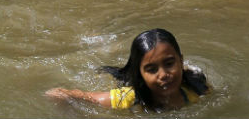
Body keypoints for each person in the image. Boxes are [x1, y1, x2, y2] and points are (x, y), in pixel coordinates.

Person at [46, 28, 210, 111]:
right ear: (140, 73)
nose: (164, 75)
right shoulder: (129, 99)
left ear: (180, 60)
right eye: (151, 69)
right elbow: (70, 95)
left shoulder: (197, 87)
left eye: (169, 63)